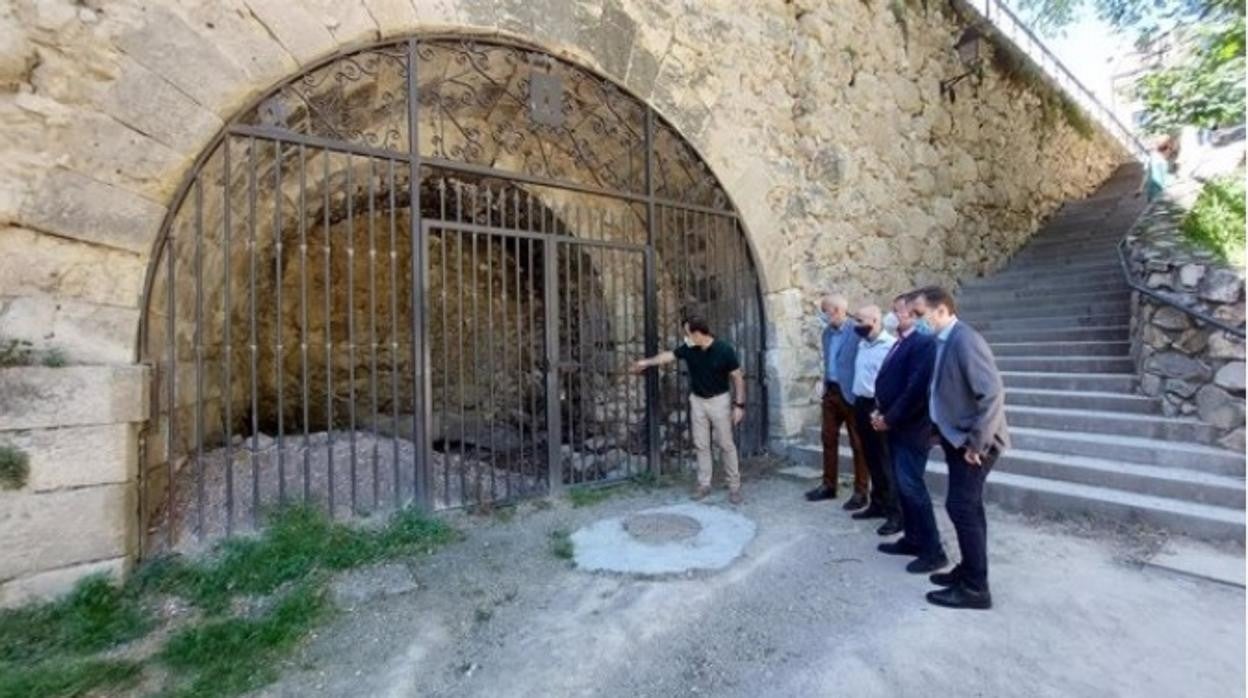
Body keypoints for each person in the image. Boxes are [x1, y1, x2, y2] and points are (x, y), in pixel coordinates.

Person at [919, 286, 1009, 610]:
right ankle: (970, 570)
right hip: (959, 439)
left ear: (941, 310)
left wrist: (978, 442)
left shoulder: (965, 340)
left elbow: (993, 394)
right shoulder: (946, 341)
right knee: (968, 508)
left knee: (961, 508)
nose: (917, 321)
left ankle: (975, 588)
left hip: (975, 444)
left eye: (920, 314)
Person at [630, 315, 747, 504]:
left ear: (699, 334)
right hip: (698, 401)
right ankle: (704, 484)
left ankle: (734, 486)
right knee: (701, 444)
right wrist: (646, 362)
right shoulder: (690, 348)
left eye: (688, 333)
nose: (686, 337)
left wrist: (739, 406)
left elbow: (738, 377)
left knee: (726, 444)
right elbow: (668, 356)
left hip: (719, 401)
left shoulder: (724, 350)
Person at [872, 292, 945, 573]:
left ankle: (933, 550)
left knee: (913, 488)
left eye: (899, 311)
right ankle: (913, 539)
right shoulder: (904, 342)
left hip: (912, 429)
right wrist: (882, 411)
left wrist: (889, 418)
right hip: (896, 425)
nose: (895, 316)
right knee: (903, 487)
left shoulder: (923, 343)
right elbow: (891, 381)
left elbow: (915, 390)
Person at [807, 294, 870, 509]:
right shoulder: (826, 334)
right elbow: (828, 361)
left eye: (825, 311)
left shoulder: (857, 331)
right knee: (828, 439)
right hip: (831, 392)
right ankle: (828, 486)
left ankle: (861, 491)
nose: (822, 315)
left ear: (836, 310)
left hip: (851, 394)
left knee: (858, 444)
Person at [848, 304, 902, 535]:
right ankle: (877, 504)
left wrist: (883, 410)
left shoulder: (889, 346)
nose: (857, 325)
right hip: (860, 404)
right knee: (870, 457)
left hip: (877, 406)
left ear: (875, 320)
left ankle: (895, 514)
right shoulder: (863, 344)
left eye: (860, 320)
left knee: (884, 460)